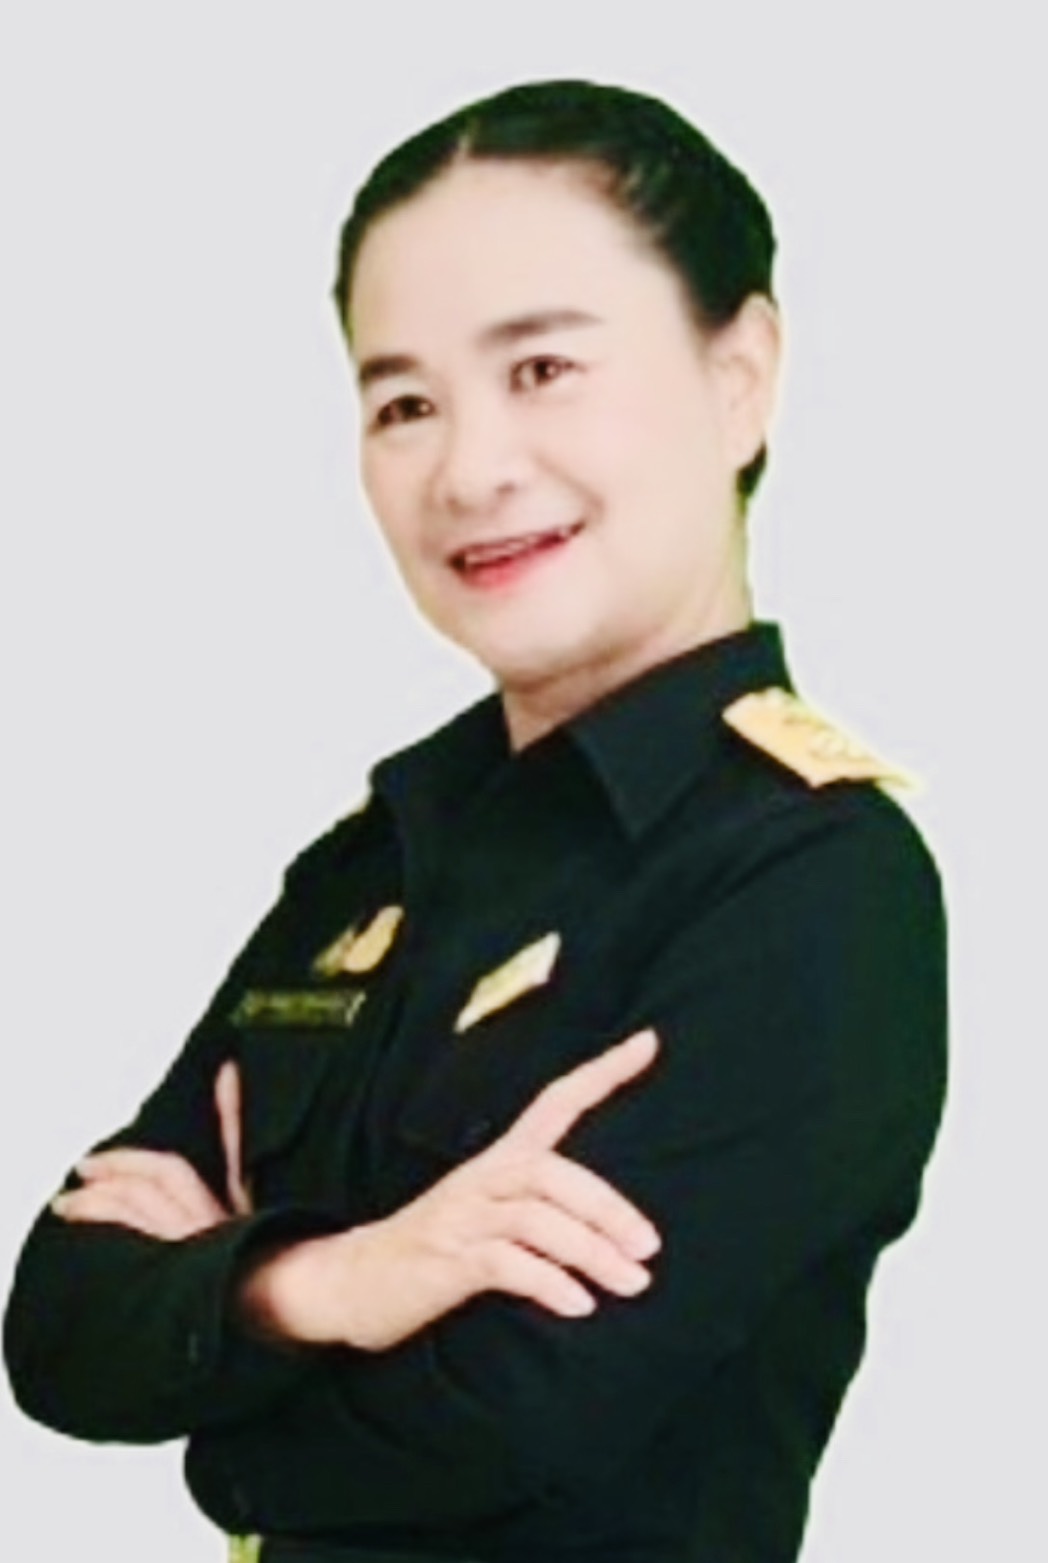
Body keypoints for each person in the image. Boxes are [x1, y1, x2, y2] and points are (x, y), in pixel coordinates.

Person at [2, 78, 948, 1563]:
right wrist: (328, 1285)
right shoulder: (376, 857)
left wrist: (220, 1346)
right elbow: (57, 1327)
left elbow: (505, 1423)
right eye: (404, 404)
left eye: (544, 368)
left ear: (739, 377)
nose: (469, 469)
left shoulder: (812, 884)